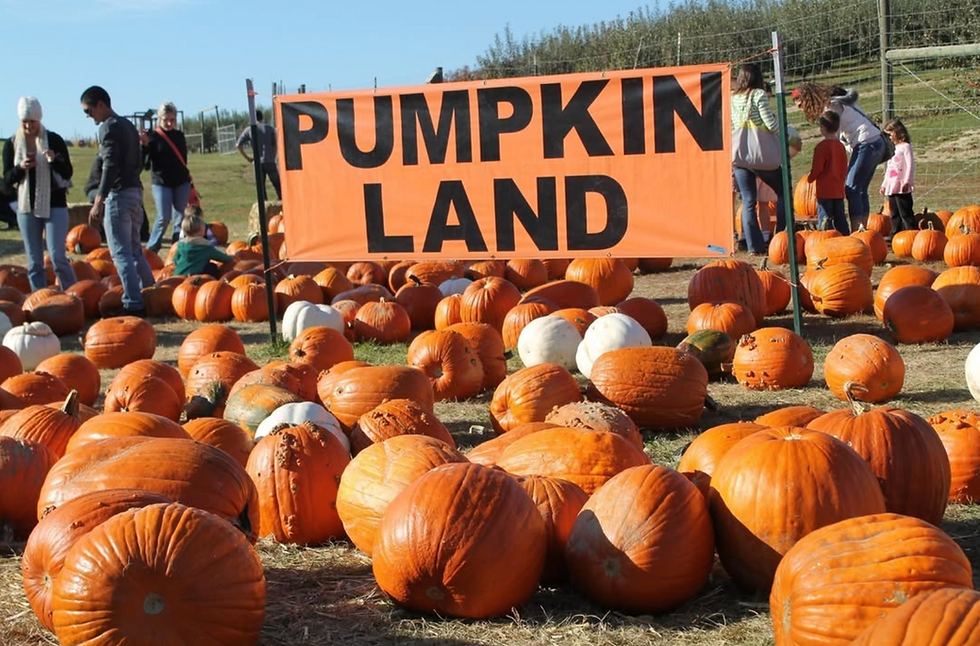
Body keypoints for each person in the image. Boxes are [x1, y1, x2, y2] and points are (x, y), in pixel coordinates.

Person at [81, 85, 154, 316]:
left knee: (121, 253)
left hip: (119, 194)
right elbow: (138, 161)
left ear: (100, 104)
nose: (88, 115)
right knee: (135, 249)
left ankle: (133, 303)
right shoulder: (129, 126)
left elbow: (109, 164)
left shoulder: (108, 128)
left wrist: (99, 198)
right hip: (135, 192)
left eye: (88, 110)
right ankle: (151, 292)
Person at [2, 96, 76, 291]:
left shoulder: (54, 140)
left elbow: (68, 172)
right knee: (34, 261)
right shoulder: (11, 144)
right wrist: (20, 168)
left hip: (55, 203)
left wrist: (55, 160)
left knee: (57, 256)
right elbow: (7, 181)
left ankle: (73, 294)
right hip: (26, 207)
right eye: (24, 121)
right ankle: (40, 299)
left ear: (39, 120)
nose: (28, 125)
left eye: (32, 121)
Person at [794, 82, 887, 232]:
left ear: (808, 99)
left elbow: (833, 138)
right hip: (875, 141)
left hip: (866, 143)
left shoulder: (831, 107)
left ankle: (858, 231)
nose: (802, 109)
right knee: (860, 190)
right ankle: (863, 230)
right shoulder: (836, 102)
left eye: (801, 105)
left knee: (852, 189)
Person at [731, 64, 787, 255]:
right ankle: (782, 236)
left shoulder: (733, 97)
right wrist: (785, 134)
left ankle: (754, 247)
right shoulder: (758, 95)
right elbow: (770, 124)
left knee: (748, 200)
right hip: (760, 155)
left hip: (740, 157)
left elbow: (732, 126)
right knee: (783, 192)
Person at [141, 102, 192, 253]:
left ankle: (176, 248)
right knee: (164, 216)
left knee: (180, 217)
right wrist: (144, 146)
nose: (169, 123)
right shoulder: (152, 136)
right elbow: (145, 165)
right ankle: (152, 248)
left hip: (181, 181)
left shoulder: (179, 136)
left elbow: (183, 160)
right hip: (161, 182)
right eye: (166, 120)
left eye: (172, 120)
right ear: (159, 119)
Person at [807, 110, 849, 235]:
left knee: (825, 219)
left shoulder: (821, 147)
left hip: (825, 190)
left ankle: (826, 241)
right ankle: (846, 238)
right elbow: (844, 167)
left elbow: (818, 168)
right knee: (840, 218)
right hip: (838, 190)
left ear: (823, 128)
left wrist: (810, 178)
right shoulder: (840, 146)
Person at [880, 118, 915, 235]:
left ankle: (910, 232)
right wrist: (884, 185)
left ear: (898, 132)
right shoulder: (892, 149)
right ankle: (895, 233)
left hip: (901, 185)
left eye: (890, 135)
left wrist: (907, 182)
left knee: (905, 211)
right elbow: (889, 169)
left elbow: (910, 165)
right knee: (894, 212)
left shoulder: (905, 147)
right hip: (892, 185)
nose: (889, 138)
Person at [237, 110, 282, 200]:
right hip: (269, 160)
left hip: (257, 162)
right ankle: (281, 201)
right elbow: (275, 145)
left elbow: (238, 145)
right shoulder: (269, 128)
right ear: (262, 117)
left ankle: (264, 206)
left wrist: (248, 158)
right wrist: (273, 156)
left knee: (261, 187)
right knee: (277, 184)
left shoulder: (250, 129)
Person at [173, 213, 232, 277]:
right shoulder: (205, 247)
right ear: (201, 230)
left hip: (179, 275)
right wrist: (231, 258)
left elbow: (175, 260)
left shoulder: (181, 245)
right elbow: (222, 258)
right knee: (212, 267)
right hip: (197, 277)